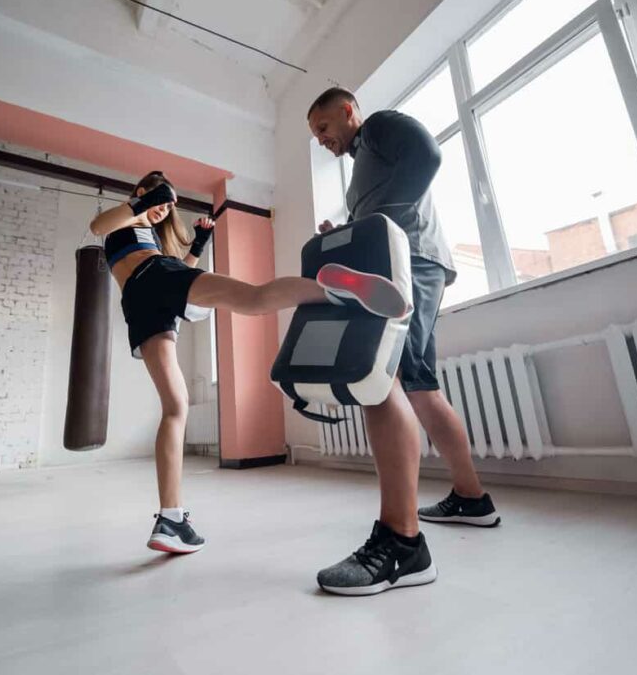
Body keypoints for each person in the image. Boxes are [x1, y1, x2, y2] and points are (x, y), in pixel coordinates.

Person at [89, 170, 411, 554]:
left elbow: (179, 269)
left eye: (167, 206)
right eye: (159, 200)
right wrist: (145, 203)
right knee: (245, 312)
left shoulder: (146, 235)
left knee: (185, 395)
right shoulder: (126, 221)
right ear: (141, 192)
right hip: (149, 289)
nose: (162, 211)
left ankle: (170, 518)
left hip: (146, 300)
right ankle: (332, 292)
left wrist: (201, 242)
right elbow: (98, 225)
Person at [306, 88, 501, 595]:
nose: (322, 140)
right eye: (316, 136)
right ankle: (471, 498)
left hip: (412, 261)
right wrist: (349, 228)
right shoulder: (364, 159)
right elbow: (385, 212)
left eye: (324, 127)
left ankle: (402, 541)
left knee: (382, 374)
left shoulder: (382, 127)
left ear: (348, 111)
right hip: (407, 261)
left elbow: (427, 156)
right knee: (419, 384)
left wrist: (378, 223)